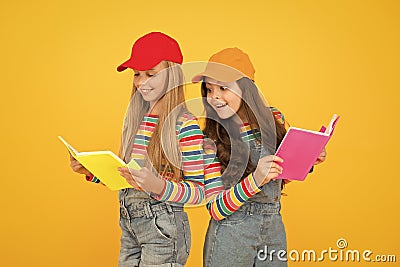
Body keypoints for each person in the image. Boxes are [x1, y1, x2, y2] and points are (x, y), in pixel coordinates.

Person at [69, 32, 205, 267]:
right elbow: (125, 177)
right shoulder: (137, 120)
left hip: (163, 230)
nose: (142, 82)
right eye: (137, 74)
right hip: (130, 224)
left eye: (151, 74)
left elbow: (199, 192)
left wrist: (158, 186)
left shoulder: (185, 125)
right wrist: (90, 172)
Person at [192, 47, 326, 266]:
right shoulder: (210, 139)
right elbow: (215, 209)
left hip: (273, 227)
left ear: (246, 89)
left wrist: (308, 160)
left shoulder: (273, 118)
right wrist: (255, 180)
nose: (214, 96)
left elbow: (280, 176)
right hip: (231, 234)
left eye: (223, 88)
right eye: (209, 89)